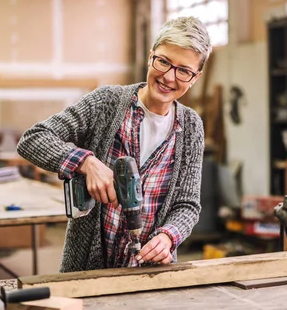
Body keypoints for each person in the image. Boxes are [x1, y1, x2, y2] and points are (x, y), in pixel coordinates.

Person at [16, 16, 212, 272]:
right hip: (87, 268)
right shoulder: (106, 103)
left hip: (152, 273)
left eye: (183, 70)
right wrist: (86, 163)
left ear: (195, 77)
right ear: (151, 55)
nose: (168, 77)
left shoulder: (191, 127)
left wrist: (168, 237)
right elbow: (33, 138)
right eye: (163, 61)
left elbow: (187, 204)